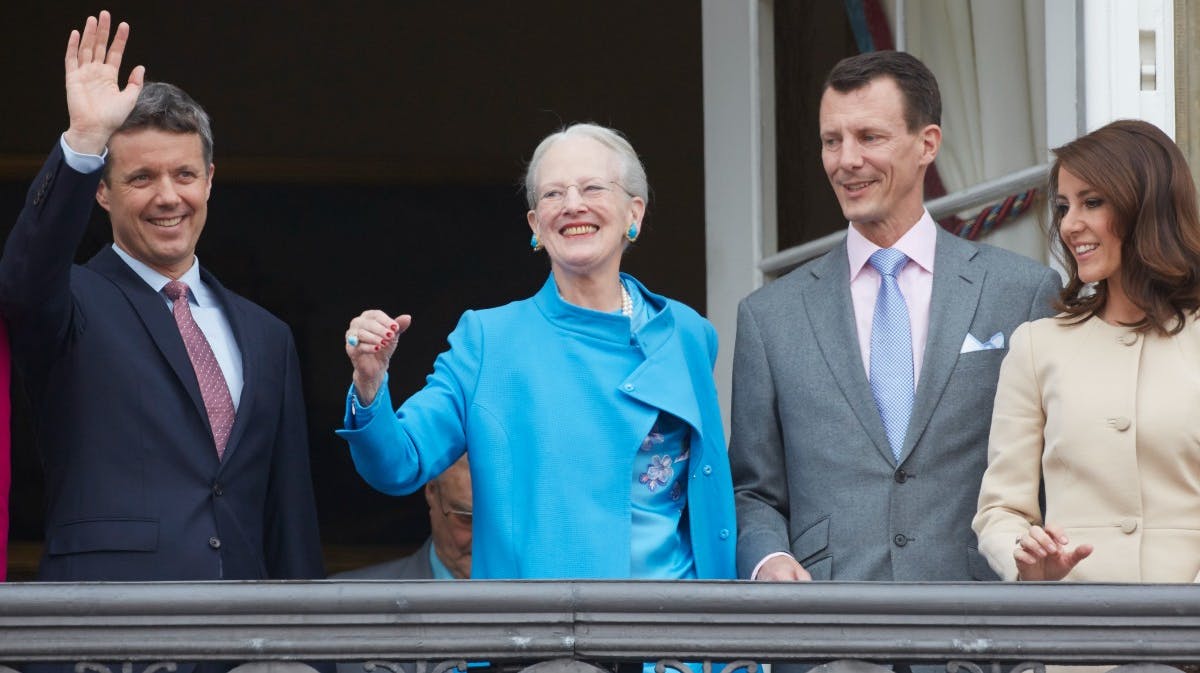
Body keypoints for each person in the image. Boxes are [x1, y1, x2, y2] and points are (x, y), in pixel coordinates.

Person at [0, 12, 324, 584]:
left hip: (243, 639)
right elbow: (26, 276)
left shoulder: (267, 336)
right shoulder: (71, 302)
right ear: (101, 189)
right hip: (110, 628)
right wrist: (83, 143)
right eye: (142, 178)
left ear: (210, 180)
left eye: (184, 175)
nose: (168, 197)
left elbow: (287, 519)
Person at [337, 122, 736, 580]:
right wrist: (370, 385)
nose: (572, 205)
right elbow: (398, 463)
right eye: (552, 195)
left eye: (592, 187)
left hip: (677, 635)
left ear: (635, 214)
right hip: (546, 636)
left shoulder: (687, 333)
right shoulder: (488, 339)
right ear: (535, 227)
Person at [729, 50, 1060, 584]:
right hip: (828, 632)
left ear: (927, 143)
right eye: (831, 141)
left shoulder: (1021, 292)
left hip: (978, 626)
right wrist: (768, 558)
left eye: (869, 137)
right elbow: (753, 489)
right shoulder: (770, 317)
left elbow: (1052, 468)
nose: (846, 160)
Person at [973, 119, 1200, 583]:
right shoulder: (1037, 346)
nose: (1070, 224)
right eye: (1063, 206)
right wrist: (1027, 558)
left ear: (1148, 206)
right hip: (1079, 643)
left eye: (1092, 202)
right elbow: (1000, 509)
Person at [336, 455, 472, 580]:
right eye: (467, 518)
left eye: (494, 521)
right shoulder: (340, 601)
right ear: (432, 492)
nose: (487, 539)